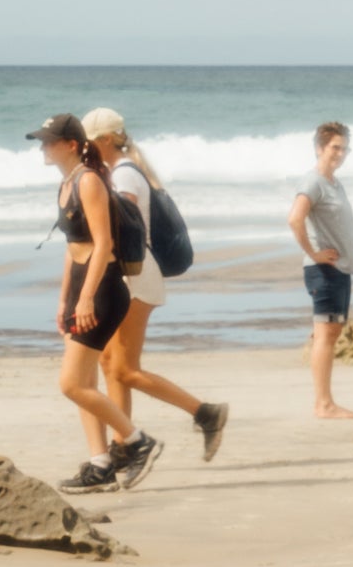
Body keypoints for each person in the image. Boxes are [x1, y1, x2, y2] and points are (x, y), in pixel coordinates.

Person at [81, 107, 228, 468]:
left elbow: (126, 230)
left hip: (136, 276)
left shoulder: (124, 176)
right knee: (110, 363)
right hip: (132, 275)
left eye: (88, 142)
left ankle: (205, 413)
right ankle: (122, 444)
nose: (85, 149)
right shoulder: (122, 171)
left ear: (103, 140)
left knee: (124, 369)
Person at [28, 113, 160, 493]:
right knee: (84, 379)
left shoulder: (89, 181)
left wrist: (86, 299)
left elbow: (103, 245)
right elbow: (73, 249)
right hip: (82, 288)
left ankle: (137, 442)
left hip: (103, 290)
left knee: (70, 383)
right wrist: (64, 299)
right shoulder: (66, 183)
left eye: (48, 141)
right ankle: (100, 462)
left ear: (70, 144)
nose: (42, 147)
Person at [289, 120, 353, 420]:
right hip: (325, 271)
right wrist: (314, 254)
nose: (340, 153)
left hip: (338, 270)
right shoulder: (313, 181)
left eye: (344, 148)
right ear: (320, 147)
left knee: (330, 333)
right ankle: (324, 404)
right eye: (334, 147)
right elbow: (295, 219)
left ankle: (325, 401)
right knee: (325, 336)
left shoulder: (334, 182)